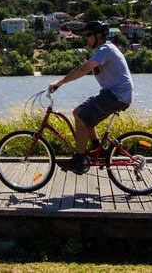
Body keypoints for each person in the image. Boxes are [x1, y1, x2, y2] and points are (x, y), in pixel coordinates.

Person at [48, 21, 133, 174]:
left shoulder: (105, 49)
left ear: (98, 35)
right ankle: (97, 149)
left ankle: (80, 160)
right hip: (113, 94)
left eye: (88, 34)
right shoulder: (102, 50)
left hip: (117, 95)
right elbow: (84, 69)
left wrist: (60, 82)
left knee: (81, 115)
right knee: (78, 112)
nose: (85, 38)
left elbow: (84, 69)